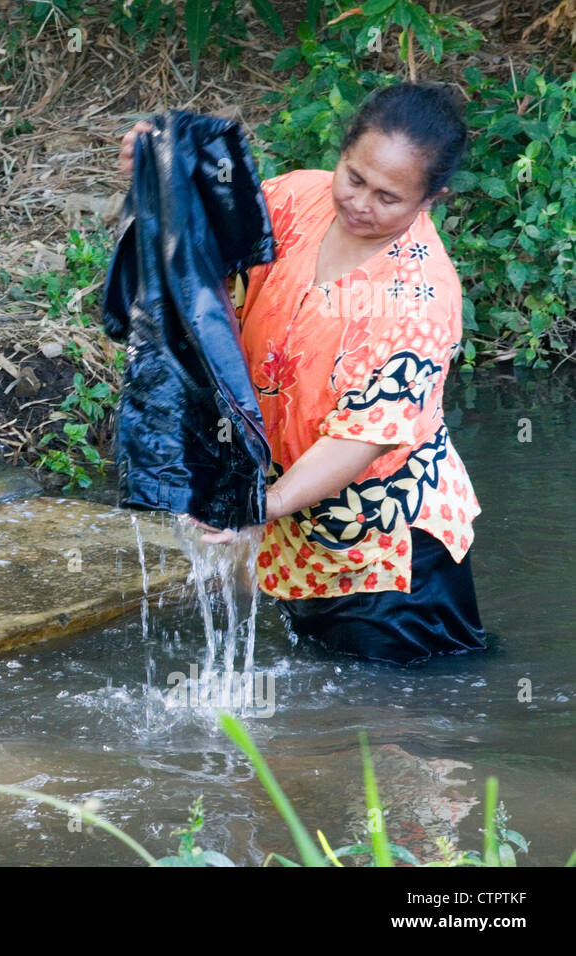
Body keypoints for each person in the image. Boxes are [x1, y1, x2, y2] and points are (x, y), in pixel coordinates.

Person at [117, 84, 489, 665]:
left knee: (395, 710)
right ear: (342, 153)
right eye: (354, 176)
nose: (361, 202)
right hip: (292, 520)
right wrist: (155, 174)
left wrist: (258, 505)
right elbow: (196, 236)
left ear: (430, 199)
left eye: (389, 197)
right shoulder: (297, 199)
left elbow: (361, 438)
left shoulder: (421, 299)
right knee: (319, 684)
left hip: (385, 553)